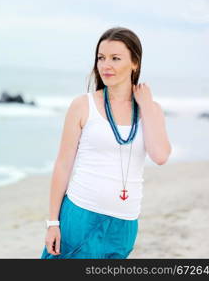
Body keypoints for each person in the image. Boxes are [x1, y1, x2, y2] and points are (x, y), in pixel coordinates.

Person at [40, 27, 172, 259]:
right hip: (81, 215)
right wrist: (52, 222)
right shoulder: (83, 105)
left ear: (135, 63)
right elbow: (62, 165)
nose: (105, 65)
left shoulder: (151, 110)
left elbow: (160, 156)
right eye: (101, 58)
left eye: (115, 58)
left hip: (125, 223)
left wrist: (147, 106)